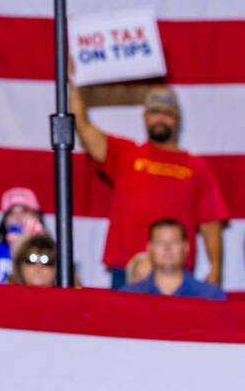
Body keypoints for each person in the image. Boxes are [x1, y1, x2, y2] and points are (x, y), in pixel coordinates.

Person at [71, 83, 228, 288]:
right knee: (123, 320)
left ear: (177, 120)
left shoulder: (197, 167)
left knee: (173, 321)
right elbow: (83, 127)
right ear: (145, 117)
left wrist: (215, 270)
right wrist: (74, 84)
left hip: (174, 271)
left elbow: (211, 224)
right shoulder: (125, 154)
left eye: (167, 113)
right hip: (127, 269)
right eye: (154, 112)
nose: (160, 118)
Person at [121, 219, 226, 301]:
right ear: (149, 248)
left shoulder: (210, 296)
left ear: (186, 248)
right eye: (160, 242)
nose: (167, 248)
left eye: (174, 242)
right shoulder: (129, 296)